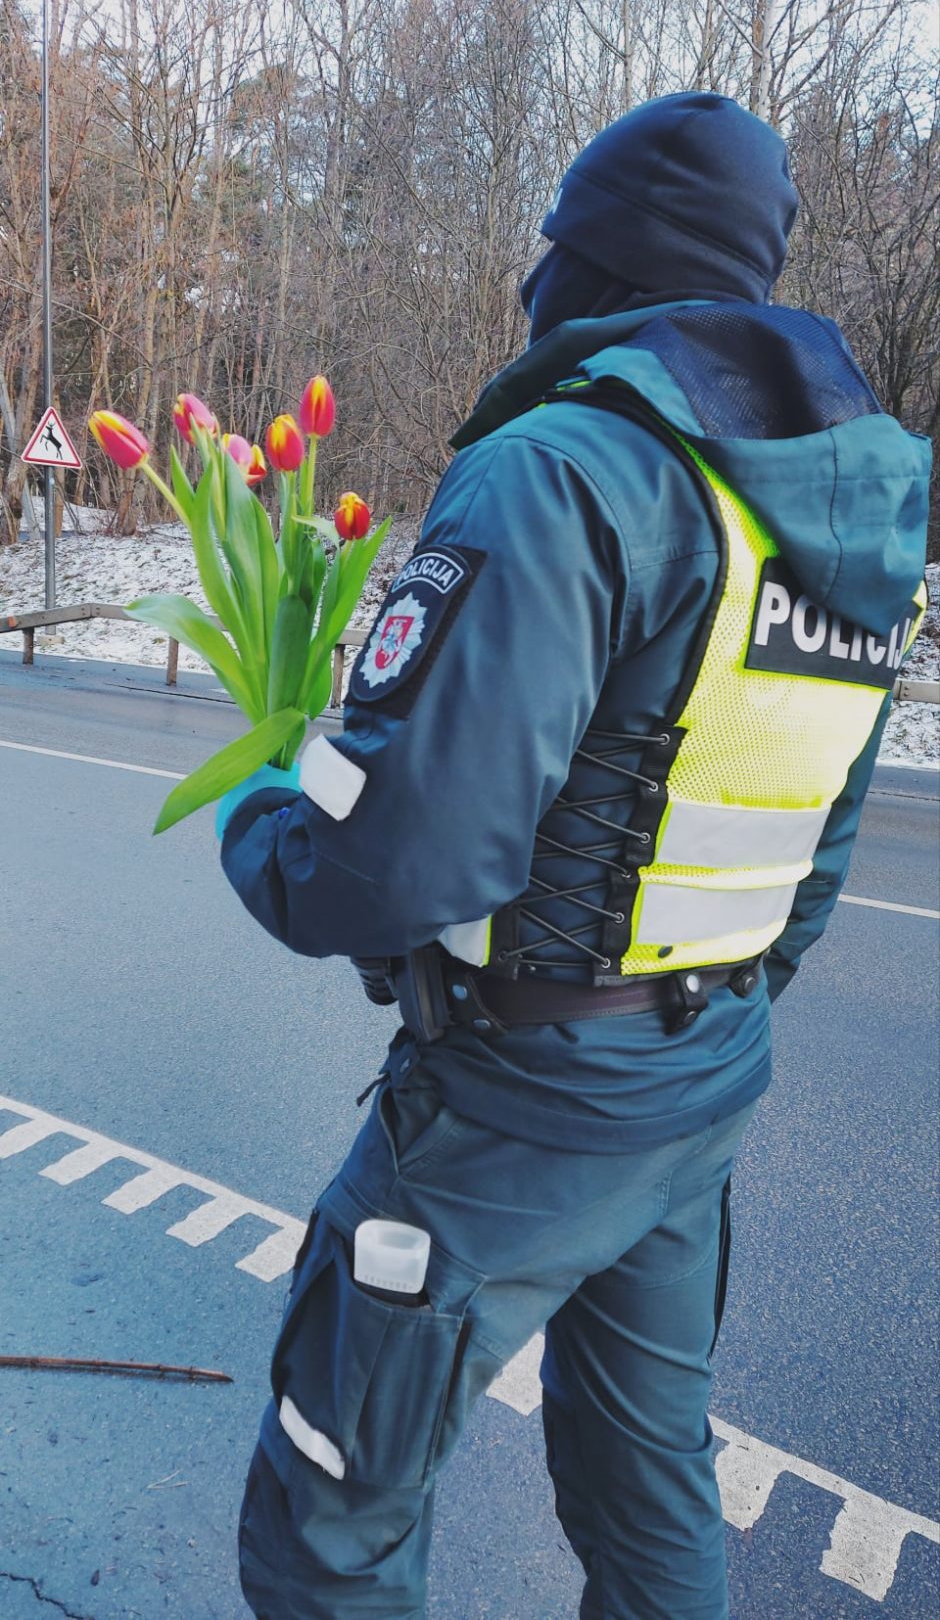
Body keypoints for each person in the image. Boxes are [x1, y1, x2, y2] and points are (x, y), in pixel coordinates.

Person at [218, 92, 929, 1619]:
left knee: (329, 1514)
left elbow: (407, 856)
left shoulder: (565, 469)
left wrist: (263, 828)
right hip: (697, 1088)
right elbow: (816, 849)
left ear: (597, 258)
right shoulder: (850, 517)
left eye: (553, 243)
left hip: (512, 1113)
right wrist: (693, 1010)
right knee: (651, 1485)